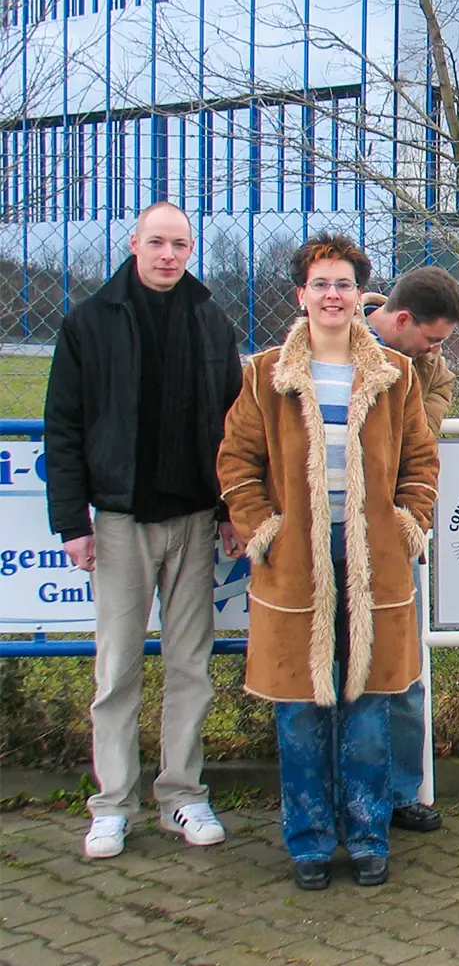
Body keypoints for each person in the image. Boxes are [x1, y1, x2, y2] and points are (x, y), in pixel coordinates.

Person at [218, 233, 439, 889]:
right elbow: (236, 462)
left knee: (370, 703)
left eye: (343, 284)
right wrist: (264, 531)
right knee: (301, 707)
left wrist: (407, 522)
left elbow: (422, 463)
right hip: (297, 565)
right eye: (321, 284)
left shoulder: (395, 377)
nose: (333, 295)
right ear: (301, 295)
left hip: (375, 563)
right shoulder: (264, 375)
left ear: (359, 292)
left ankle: (369, 836)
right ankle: (310, 842)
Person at [44, 201, 244, 859]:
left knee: (191, 666)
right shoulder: (89, 322)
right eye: (157, 242)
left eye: (179, 244)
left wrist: (230, 510)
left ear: (191, 251)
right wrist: (72, 521)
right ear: (134, 243)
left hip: (191, 519)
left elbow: (232, 427)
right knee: (116, 668)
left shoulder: (210, 321)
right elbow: (65, 426)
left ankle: (182, 796)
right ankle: (111, 804)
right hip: (120, 520)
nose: (168, 255)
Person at [361, 267, 459, 832]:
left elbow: (441, 390)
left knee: (404, 668)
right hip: (341, 527)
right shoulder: (332, 339)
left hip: (401, 525)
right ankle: (347, 793)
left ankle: (401, 791)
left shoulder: (426, 364)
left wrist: (411, 427)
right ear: (402, 320)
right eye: (432, 339)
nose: (436, 352)